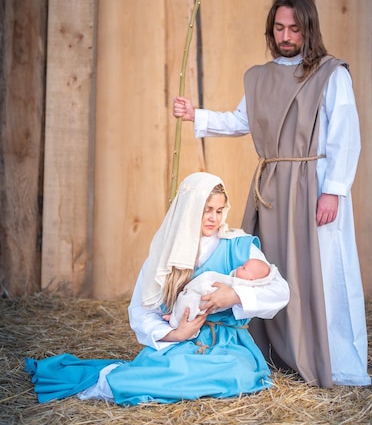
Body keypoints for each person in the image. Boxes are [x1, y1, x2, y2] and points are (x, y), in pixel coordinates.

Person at [173, 0, 371, 388]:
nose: (286, 35)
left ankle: (336, 362)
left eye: (294, 28)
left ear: (308, 30)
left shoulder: (331, 74)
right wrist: (198, 115)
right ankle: (280, 354)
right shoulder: (261, 77)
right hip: (273, 188)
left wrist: (333, 190)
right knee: (271, 268)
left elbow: (345, 134)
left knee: (323, 270)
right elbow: (239, 120)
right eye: (279, 27)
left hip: (314, 184)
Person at [25, 172, 290, 405]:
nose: (213, 218)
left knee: (237, 373)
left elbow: (280, 291)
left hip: (228, 346)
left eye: (219, 210)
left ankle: (147, 382)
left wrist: (234, 295)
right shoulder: (164, 254)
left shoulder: (239, 245)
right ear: (189, 208)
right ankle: (111, 382)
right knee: (177, 369)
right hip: (180, 344)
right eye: (206, 209)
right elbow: (139, 312)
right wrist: (175, 334)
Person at [169, 258, 276, 333]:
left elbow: (278, 293)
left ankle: (176, 320)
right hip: (201, 293)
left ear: (251, 280)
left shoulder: (242, 286)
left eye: (243, 268)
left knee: (191, 303)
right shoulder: (233, 278)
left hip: (207, 305)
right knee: (187, 298)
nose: (239, 267)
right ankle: (175, 316)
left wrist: (234, 296)